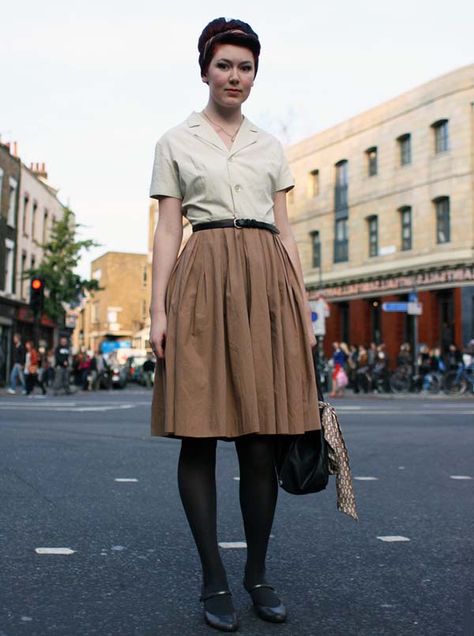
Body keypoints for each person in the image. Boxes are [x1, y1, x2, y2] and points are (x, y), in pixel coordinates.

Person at [148, 17, 322, 633]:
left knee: (260, 439)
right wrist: (158, 308)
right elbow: (170, 229)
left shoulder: (270, 147)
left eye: (245, 67)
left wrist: (302, 309)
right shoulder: (175, 140)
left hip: (265, 284)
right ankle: (212, 576)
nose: (235, 76)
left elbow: (287, 228)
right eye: (224, 64)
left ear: (254, 75)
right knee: (198, 433)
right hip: (202, 279)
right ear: (205, 70)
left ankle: (257, 574)